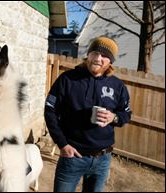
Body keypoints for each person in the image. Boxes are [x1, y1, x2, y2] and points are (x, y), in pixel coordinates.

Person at [44, 36, 132, 192]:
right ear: (88, 54)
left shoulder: (118, 86)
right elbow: (50, 110)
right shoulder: (68, 79)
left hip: (103, 159)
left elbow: (126, 113)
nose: (98, 58)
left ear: (110, 61)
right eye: (95, 53)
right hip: (72, 157)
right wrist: (62, 144)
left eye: (104, 56)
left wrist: (114, 117)